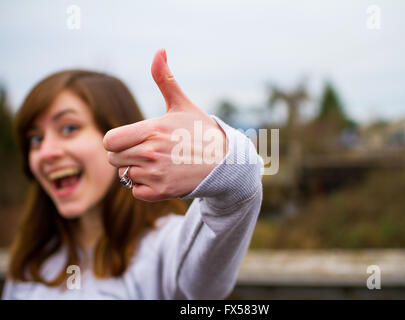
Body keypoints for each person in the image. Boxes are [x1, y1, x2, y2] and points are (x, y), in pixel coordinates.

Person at [2, 49, 263, 299]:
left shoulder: (164, 252)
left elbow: (208, 282)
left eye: (69, 128)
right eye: (35, 138)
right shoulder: (29, 261)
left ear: (126, 138)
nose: (46, 152)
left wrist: (229, 160)